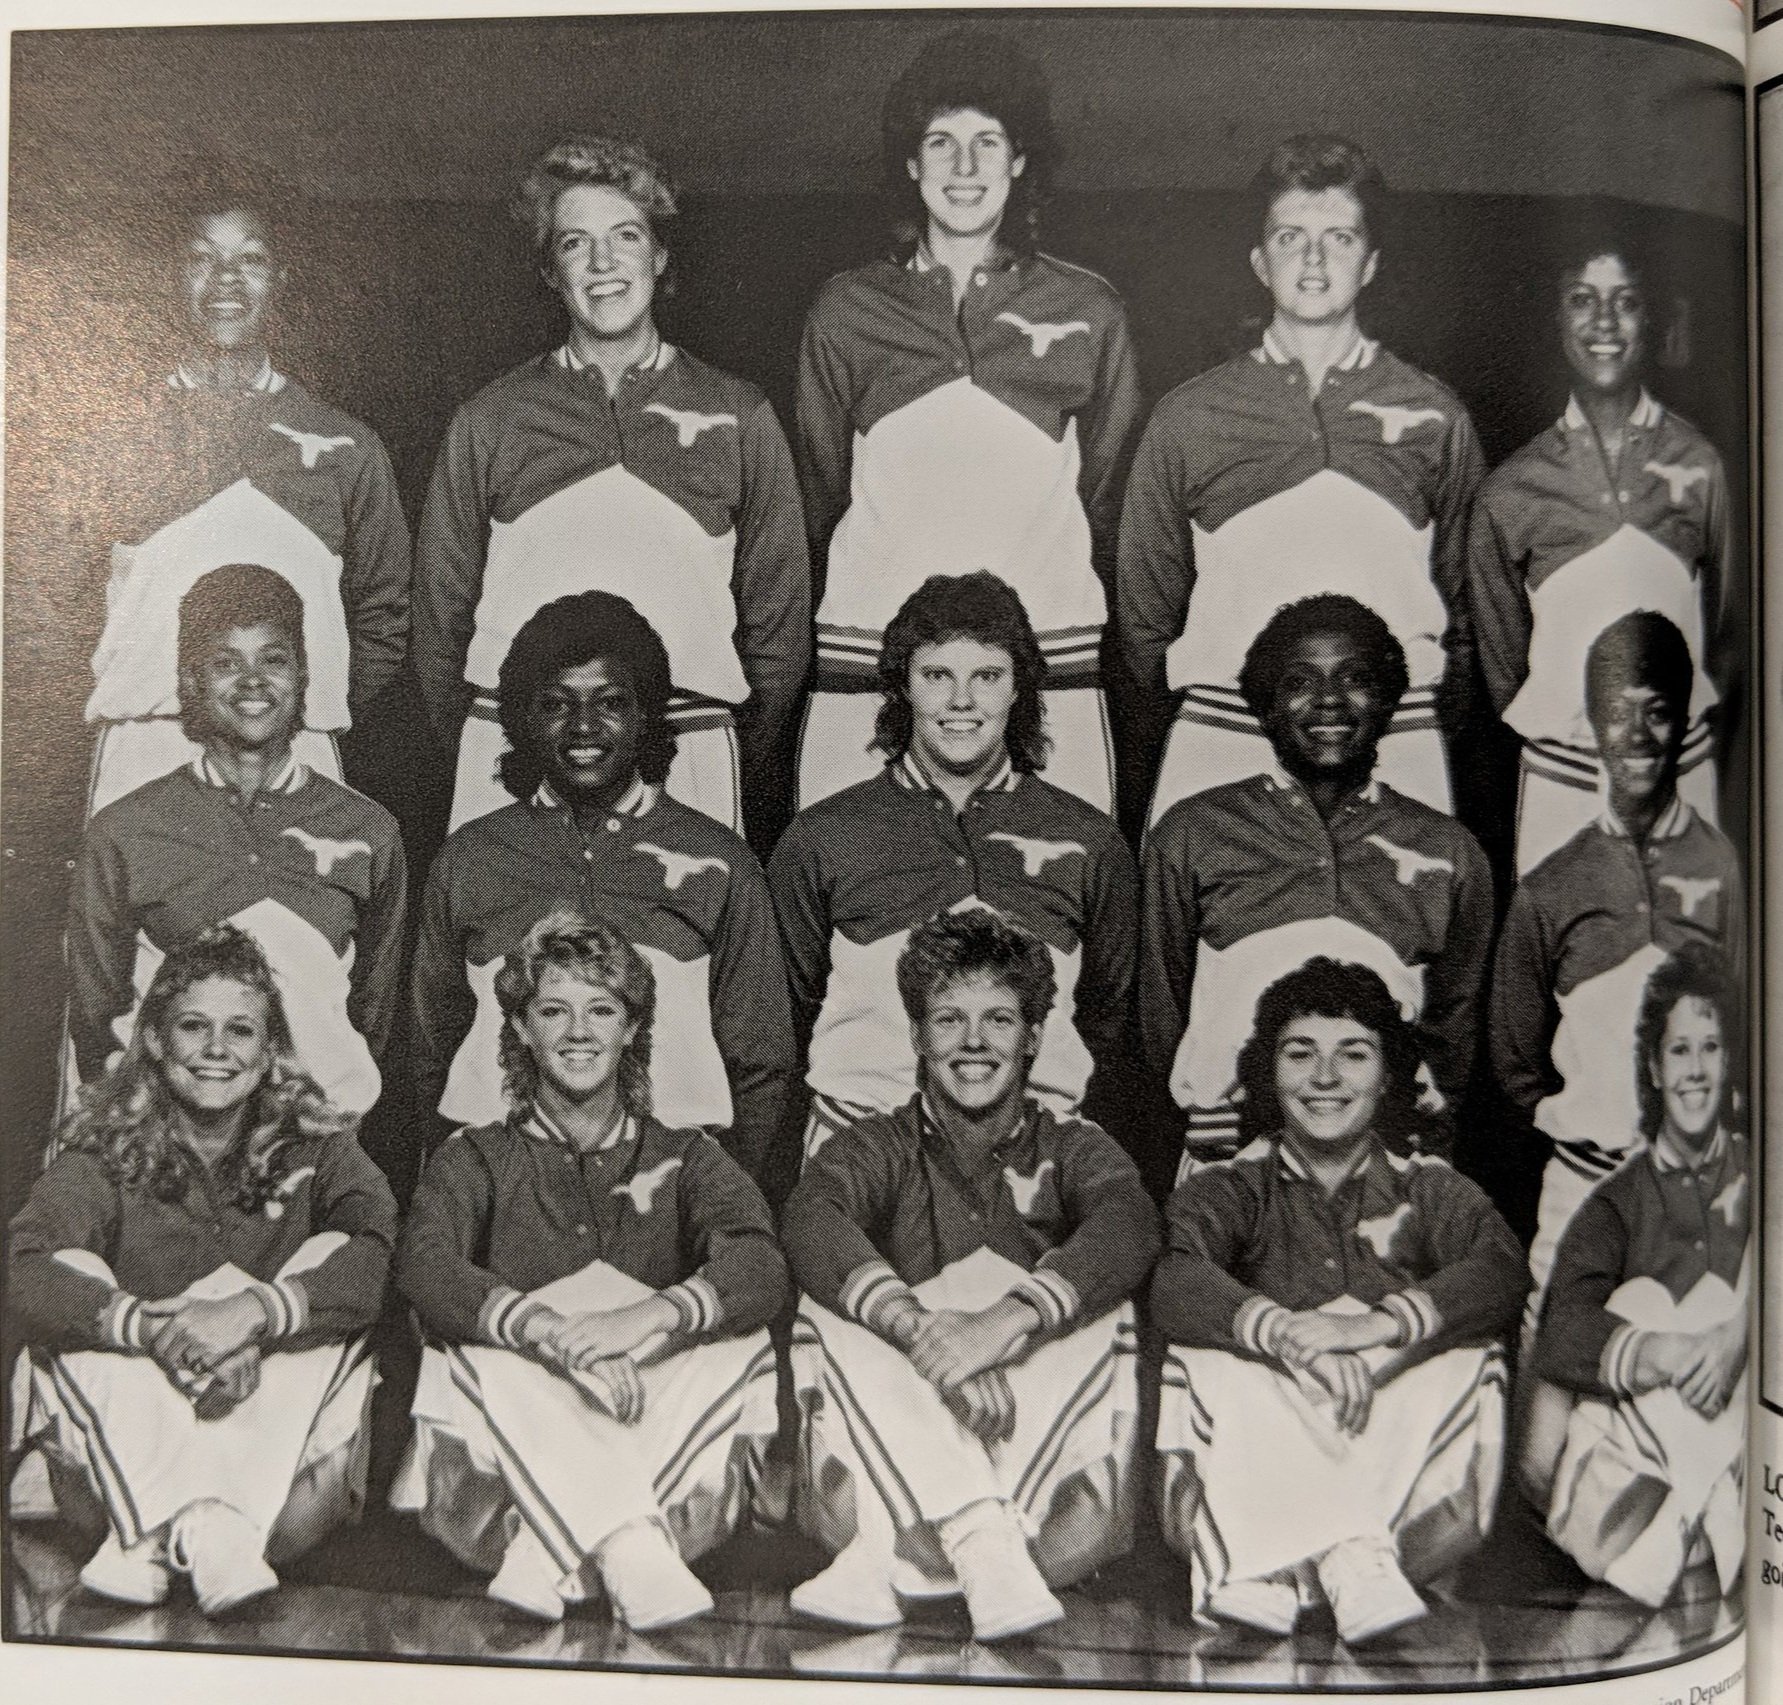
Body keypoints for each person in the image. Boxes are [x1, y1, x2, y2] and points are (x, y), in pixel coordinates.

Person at [413, 135, 810, 847]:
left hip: (686, 741)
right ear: (549, 271)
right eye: (575, 243)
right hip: (515, 748)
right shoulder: (490, 417)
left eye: (624, 236)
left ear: (658, 256)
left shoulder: (739, 413)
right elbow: (439, 621)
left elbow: (778, 628)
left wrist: (716, 746)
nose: (602, 264)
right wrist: (502, 739)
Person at [392, 911, 786, 1628]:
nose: (579, 1031)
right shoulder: (475, 1154)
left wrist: (643, 1319)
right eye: (553, 1009)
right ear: (519, 1027)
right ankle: (629, 1546)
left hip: (646, 1452)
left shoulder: (685, 1153)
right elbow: (424, 1263)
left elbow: (759, 1261)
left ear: (632, 1028)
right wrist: (544, 1331)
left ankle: (552, 1554)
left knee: (740, 1339)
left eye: (601, 1009)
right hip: (494, 1499)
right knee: (475, 1348)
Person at [781, 909, 1160, 1643]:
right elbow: (810, 1215)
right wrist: (922, 1332)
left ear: (1032, 1037)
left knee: (1091, 1299)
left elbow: (1131, 1222)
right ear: (918, 1037)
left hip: (1044, 1505)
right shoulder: (876, 1143)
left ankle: (890, 1557)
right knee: (838, 1301)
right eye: (949, 1019)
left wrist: (1000, 1327)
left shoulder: (1074, 1145)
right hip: (943, 1516)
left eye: (998, 1019)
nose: (975, 1041)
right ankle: (975, 1537)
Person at [794, 29, 1141, 816]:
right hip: (864, 662)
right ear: (909, 164)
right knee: (864, 911)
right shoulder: (846, 311)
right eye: (940, 142)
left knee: (1048, 913)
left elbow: (1108, 498)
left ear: (1019, 160)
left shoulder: (1088, 309)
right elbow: (820, 492)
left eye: (987, 142)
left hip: (1052, 666)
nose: (964, 166)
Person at [8, 926, 396, 1617]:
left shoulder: (319, 1145)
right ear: (156, 1040)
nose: (218, 1050)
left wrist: (253, 1319)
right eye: (195, 1026)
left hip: (275, 1490)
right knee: (73, 1273)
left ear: (268, 1046)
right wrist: (154, 1329)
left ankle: (166, 1534)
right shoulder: (103, 1148)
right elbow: (25, 1268)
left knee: (321, 1265)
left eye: (240, 1029)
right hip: (126, 1463)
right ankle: (198, 1528)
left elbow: (379, 1252)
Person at [1152, 959, 1526, 1645]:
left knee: (1465, 1353)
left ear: (1387, 1075)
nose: (1324, 1077)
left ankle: (1283, 1567)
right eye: (1300, 1054)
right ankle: (1341, 1560)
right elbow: (1173, 1277)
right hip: (1278, 1431)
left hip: (1380, 1440)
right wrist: (1287, 1333)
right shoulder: (1230, 1184)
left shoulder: (1425, 1184)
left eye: (1352, 1055)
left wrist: (1373, 1328)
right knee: (1210, 1355)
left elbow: (1501, 1267)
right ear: (1268, 1071)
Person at [1117, 135, 1484, 832]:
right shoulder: (1188, 416)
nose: (1313, 259)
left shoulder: (1436, 415)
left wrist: (1404, 712)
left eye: (1338, 237)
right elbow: (1144, 619)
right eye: (1290, 236)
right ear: (1259, 261)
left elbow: (1466, 610)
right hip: (1223, 739)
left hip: (1393, 743)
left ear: (1370, 261)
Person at [411, 590, 794, 1180]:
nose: (584, 726)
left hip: (667, 1186)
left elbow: (761, 1059)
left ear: (645, 715)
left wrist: (721, 1195)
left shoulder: (719, 861)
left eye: (610, 702)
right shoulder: (470, 857)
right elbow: (429, 1045)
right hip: (505, 1182)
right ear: (523, 719)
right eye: (557, 704)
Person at [769, 573, 1138, 1158]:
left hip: (1032, 1151)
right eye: (937, 675)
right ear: (903, 688)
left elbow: (1112, 1025)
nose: (961, 702)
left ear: (1019, 689)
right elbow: (779, 1025)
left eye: (987, 676)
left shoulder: (1088, 840)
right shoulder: (824, 836)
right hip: (860, 1144)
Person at [1141, 595, 1492, 1173]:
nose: (1329, 700)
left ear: (1387, 699)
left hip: (1389, 1164)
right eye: (1300, 681)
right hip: (1229, 1162)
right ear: (1266, 706)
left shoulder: (1447, 850)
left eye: (1355, 679)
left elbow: (1454, 1033)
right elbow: (1160, 1017)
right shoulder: (1192, 832)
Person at [84, 198, 410, 817]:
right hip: (145, 741)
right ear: (172, 274)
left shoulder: (345, 445)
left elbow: (385, 616)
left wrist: (303, 705)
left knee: (293, 917)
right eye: (203, 259)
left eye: (250, 260)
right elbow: (56, 605)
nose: (226, 280)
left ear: (281, 278)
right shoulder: (112, 440)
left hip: (294, 744)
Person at [67, 563, 407, 1118]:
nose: (253, 681)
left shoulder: (367, 831)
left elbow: (374, 1013)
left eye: (273, 660)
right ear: (190, 681)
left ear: (301, 677)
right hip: (169, 1142)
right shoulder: (125, 830)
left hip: (312, 1143)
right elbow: (97, 1016)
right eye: (226, 662)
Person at [1490, 611, 1743, 1320]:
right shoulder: (1551, 883)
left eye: (1657, 713)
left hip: (1705, 1193)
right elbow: (1515, 1064)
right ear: (1590, 724)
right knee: (1556, 1388)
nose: (1635, 737)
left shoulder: (1729, 870)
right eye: (1616, 714)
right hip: (1581, 1186)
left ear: (1684, 724)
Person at [1468, 226, 1732, 875]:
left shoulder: (1699, 465)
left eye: (1626, 300)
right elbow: (1502, 667)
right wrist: (1567, 730)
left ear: (1651, 317)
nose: (1605, 322)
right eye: (1582, 299)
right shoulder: (1509, 492)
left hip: (1681, 775)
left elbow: (1732, 638)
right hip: (1560, 783)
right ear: (1557, 318)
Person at [1529, 946, 1747, 1608]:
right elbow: (1560, 1331)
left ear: (1730, 1062)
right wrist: (1662, 1350)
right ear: (1652, 1068)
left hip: (1746, 1430)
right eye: (1678, 1050)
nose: (1694, 1069)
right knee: (1639, 1302)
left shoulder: (1759, 1170)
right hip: (1657, 1442)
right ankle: (1697, 1511)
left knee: (1722, 1297)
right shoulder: (1615, 1202)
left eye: (1710, 1047)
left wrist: (1740, 1328)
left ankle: (1682, 1524)